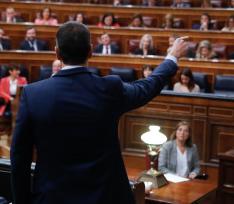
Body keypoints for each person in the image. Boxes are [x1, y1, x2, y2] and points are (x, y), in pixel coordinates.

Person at [10, 22, 188, 203]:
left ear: (57, 52)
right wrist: (172, 57)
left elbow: (19, 160)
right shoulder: (110, 88)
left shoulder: (32, 95)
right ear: (90, 51)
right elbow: (147, 87)